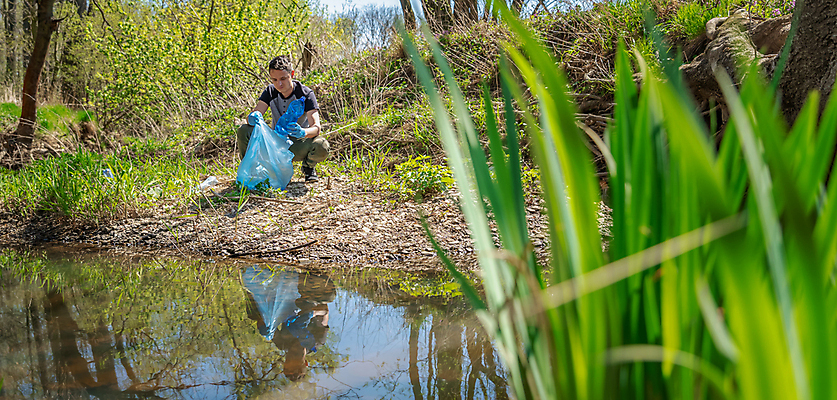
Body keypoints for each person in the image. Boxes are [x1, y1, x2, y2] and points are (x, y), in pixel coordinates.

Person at [237, 55, 329, 183]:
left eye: (283, 79)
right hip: (275, 143)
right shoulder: (270, 91)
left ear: (292, 74)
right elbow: (256, 112)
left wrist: (303, 132)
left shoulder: (305, 94)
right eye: (274, 79)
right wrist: (253, 117)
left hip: (298, 144)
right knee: (244, 130)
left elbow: (316, 128)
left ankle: (308, 168)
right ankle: (250, 169)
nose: (279, 84)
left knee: (321, 145)